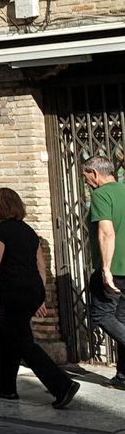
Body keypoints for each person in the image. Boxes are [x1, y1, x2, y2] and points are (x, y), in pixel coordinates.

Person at [0, 187, 79, 408]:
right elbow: (41, 267)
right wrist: (40, 297)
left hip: (13, 293)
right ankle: (2, 387)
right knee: (5, 337)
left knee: (21, 341)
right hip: (32, 290)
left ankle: (62, 385)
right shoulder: (29, 232)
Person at [84, 157, 125, 385]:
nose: (86, 181)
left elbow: (106, 232)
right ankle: (123, 376)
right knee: (121, 319)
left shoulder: (101, 195)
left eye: (85, 176)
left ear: (95, 173)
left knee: (102, 315)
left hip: (115, 269)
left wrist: (106, 269)